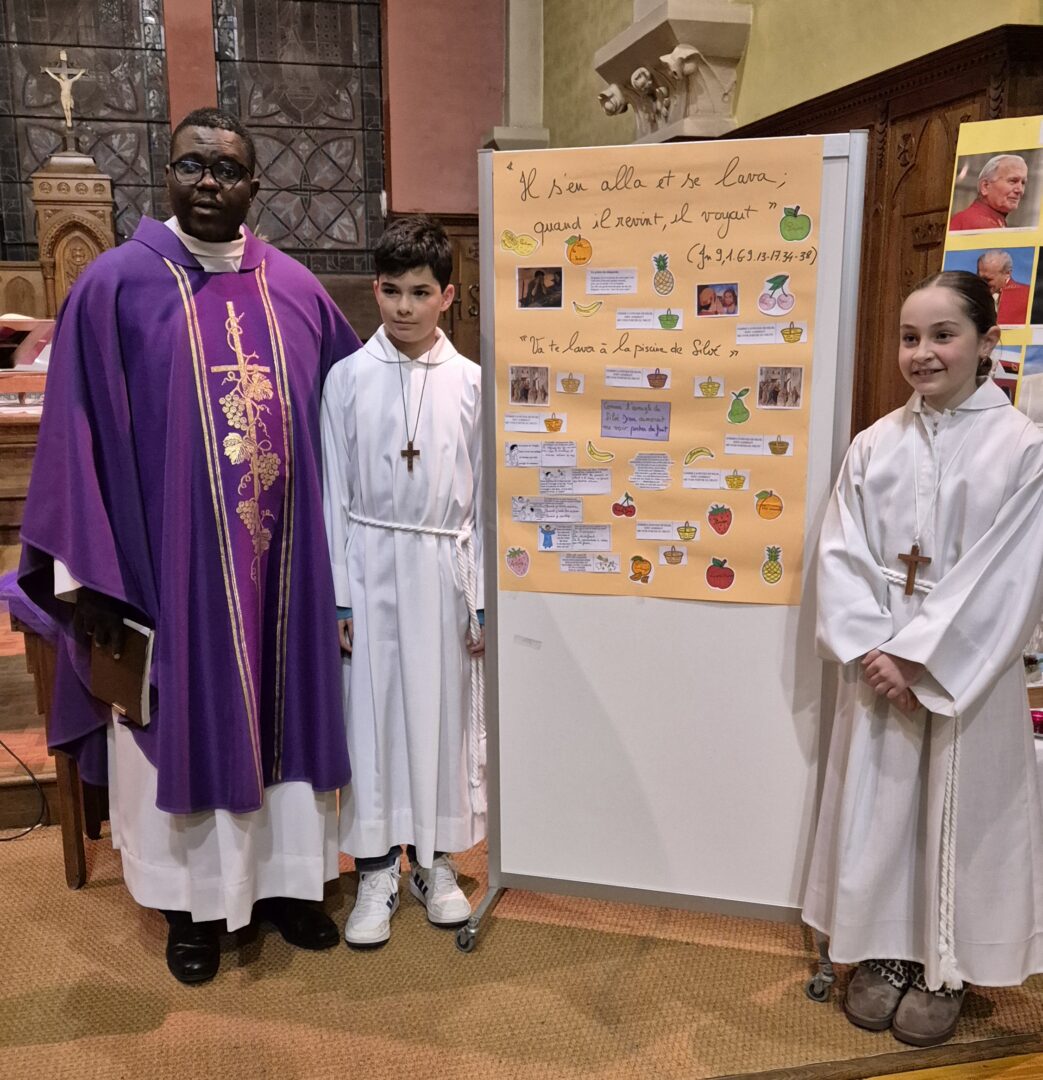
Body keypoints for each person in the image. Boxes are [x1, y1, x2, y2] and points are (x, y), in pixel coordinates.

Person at [18, 107, 362, 984]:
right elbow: (74, 438)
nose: (209, 182)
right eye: (191, 166)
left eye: (228, 169)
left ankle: (288, 885)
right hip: (165, 572)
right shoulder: (114, 286)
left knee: (289, 712)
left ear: (256, 186)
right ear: (166, 174)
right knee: (181, 714)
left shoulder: (295, 288)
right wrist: (89, 577)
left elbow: (355, 411)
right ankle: (190, 906)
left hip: (287, 572)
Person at [803, 270, 1043, 1047]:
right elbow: (839, 551)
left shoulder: (1022, 448)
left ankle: (947, 963)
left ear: (986, 341)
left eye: (943, 335)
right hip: (879, 661)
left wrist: (916, 659)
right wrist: (874, 647)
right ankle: (883, 951)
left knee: (960, 812)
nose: (922, 352)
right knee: (882, 809)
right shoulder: (875, 444)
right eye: (909, 337)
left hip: (966, 667)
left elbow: (1011, 571)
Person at [321, 215, 486, 948]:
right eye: (391, 291)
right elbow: (333, 491)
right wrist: (339, 595)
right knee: (373, 717)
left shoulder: (472, 383)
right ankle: (376, 868)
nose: (404, 307)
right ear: (376, 289)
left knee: (441, 714)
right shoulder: (347, 379)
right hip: (368, 562)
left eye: (421, 292)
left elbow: (485, 503)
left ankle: (435, 861)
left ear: (447, 295)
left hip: (443, 568)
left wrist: (481, 600)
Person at [949, 154, 1028, 231]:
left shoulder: (995, 222)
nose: (1020, 190)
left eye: (1023, 183)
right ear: (985, 186)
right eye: (1013, 181)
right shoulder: (971, 222)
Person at [976, 249, 1030, 324]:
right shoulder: (972, 294)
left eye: (988, 279)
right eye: (979, 278)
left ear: (1007, 273)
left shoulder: (1027, 295)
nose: (982, 283)